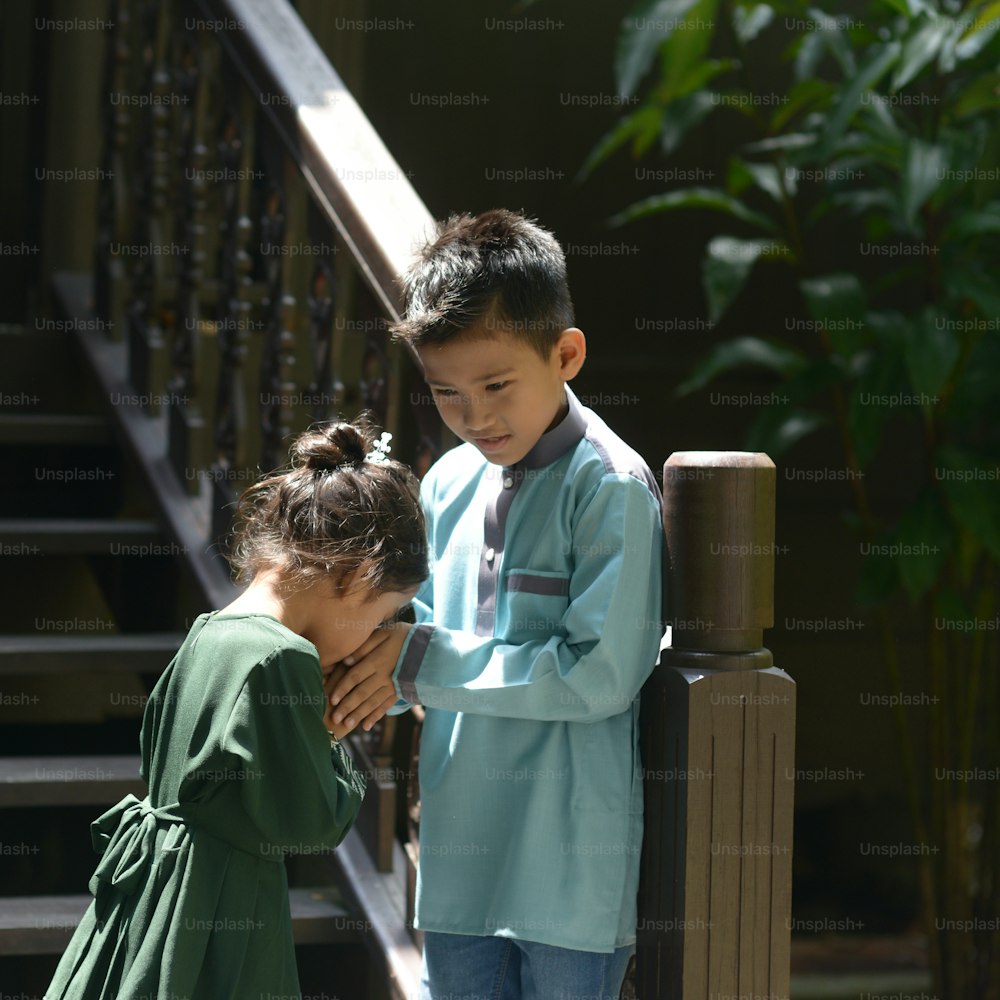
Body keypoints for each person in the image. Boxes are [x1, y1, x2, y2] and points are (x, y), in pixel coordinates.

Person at [327, 210, 664, 1000]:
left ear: (567, 353)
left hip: (568, 866)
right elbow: (419, 641)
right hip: (457, 857)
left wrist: (420, 665)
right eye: (446, 392)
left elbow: (601, 677)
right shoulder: (445, 483)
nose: (475, 417)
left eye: (497, 385)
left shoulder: (608, 486)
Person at [45, 419, 427, 1000]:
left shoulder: (210, 632)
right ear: (356, 575)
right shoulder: (283, 658)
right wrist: (328, 732)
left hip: (155, 898)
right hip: (217, 916)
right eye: (379, 619)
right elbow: (311, 821)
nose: (372, 638)